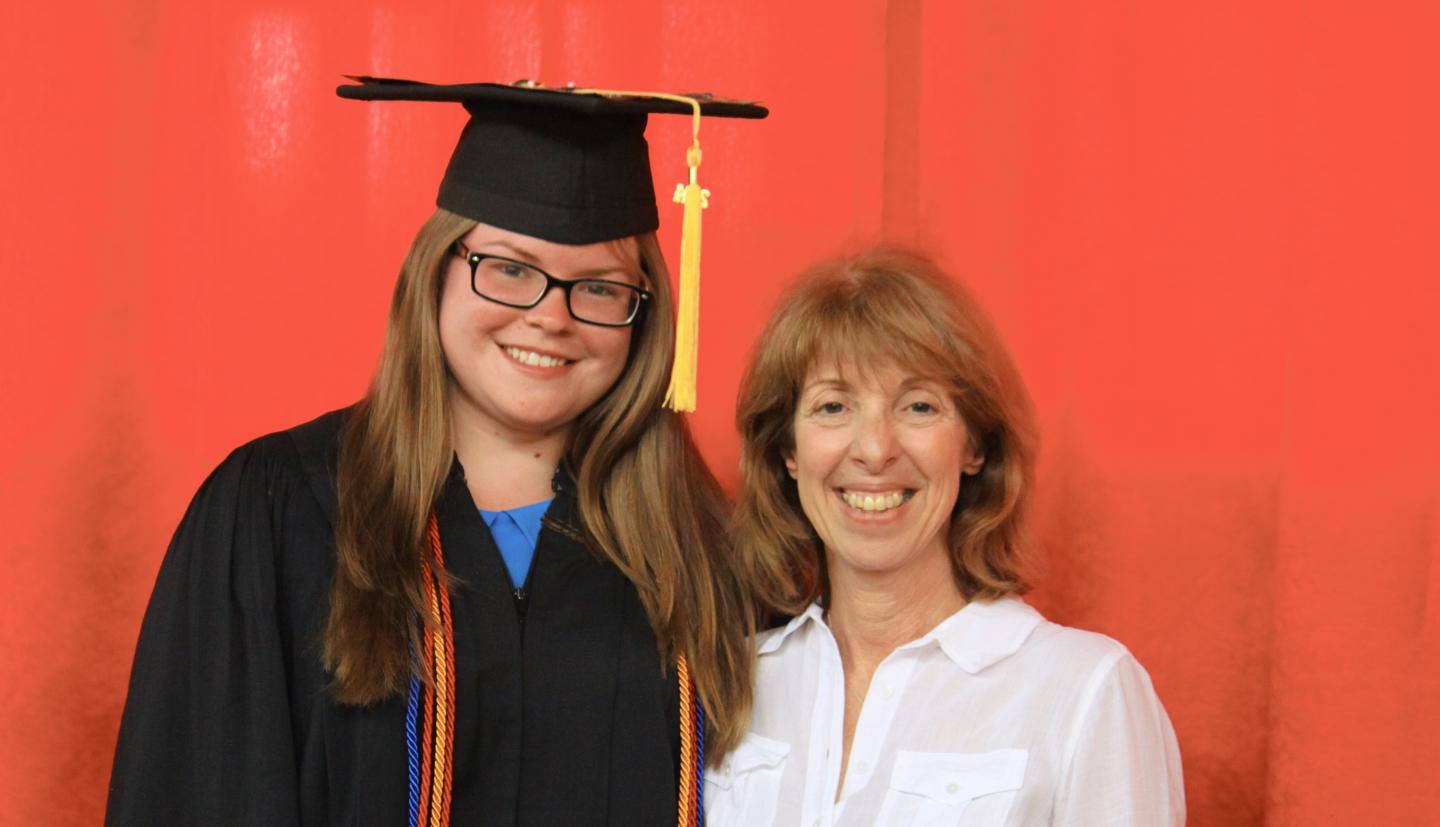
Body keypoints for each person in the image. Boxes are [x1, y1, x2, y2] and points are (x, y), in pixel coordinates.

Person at [106, 78, 765, 827]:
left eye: (600, 288)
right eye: (510, 268)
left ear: (642, 316)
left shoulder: (702, 550)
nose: (550, 317)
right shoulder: (274, 511)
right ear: (439, 271)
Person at [716, 249, 1184, 826]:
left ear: (974, 446)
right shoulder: (730, 683)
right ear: (788, 452)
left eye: (918, 406)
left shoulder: (1084, 692)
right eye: (833, 406)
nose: (874, 448)